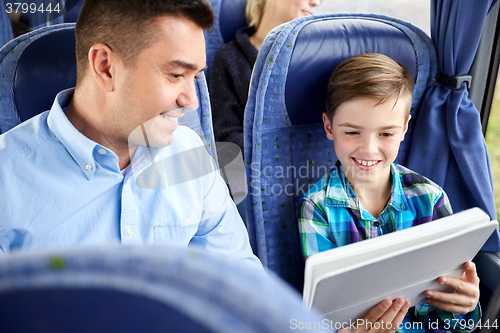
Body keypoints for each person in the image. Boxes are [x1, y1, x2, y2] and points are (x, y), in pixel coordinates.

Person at [0, 0, 264, 273]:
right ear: (105, 67)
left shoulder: (190, 154)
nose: (191, 102)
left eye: (195, 77)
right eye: (175, 75)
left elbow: (245, 286)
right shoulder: (6, 182)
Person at [298, 53, 481, 332]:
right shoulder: (316, 208)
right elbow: (326, 316)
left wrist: (463, 307)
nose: (369, 149)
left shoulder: (431, 198)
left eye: (385, 134)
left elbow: (449, 313)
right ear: (328, 127)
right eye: (352, 132)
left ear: (404, 128)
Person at [209, 0, 320, 154]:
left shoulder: (313, 55)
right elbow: (226, 135)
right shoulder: (229, 57)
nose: (315, 2)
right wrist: (279, 152)